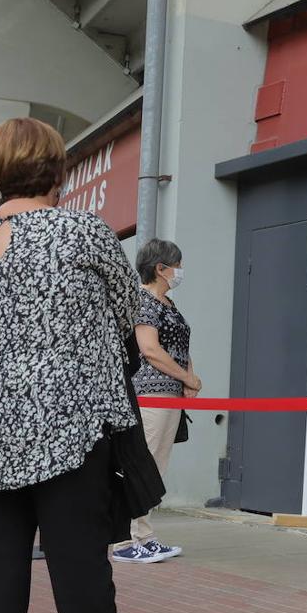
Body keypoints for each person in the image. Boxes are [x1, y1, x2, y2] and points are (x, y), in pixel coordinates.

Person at [0, 117, 192, 613]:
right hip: (68, 416)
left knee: (0, 553)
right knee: (77, 554)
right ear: (56, 167)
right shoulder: (83, 230)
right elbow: (126, 314)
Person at [113, 239, 197, 563]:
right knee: (140, 466)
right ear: (160, 269)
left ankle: (144, 535)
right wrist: (187, 378)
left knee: (156, 468)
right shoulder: (143, 301)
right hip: (149, 395)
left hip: (170, 396)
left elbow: (180, 346)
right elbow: (150, 349)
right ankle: (126, 540)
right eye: (176, 264)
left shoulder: (170, 305)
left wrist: (189, 377)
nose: (179, 270)